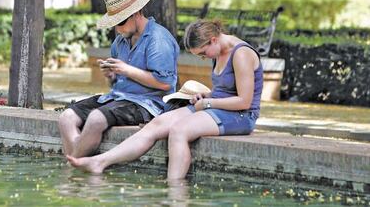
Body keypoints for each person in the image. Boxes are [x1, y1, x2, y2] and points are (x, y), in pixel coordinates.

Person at [67, 20, 263, 180]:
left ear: (213, 40)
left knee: (179, 131)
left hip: (240, 115)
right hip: (218, 107)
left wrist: (209, 103)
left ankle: (174, 192)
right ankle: (100, 161)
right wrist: (207, 96)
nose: (204, 58)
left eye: (203, 53)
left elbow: (244, 102)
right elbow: (226, 90)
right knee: (157, 124)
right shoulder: (218, 50)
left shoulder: (241, 54)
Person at [58, 0, 179, 158]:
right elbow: (116, 84)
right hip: (118, 98)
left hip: (147, 104)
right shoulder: (120, 41)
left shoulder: (158, 40)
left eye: (121, 22)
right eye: (115, 24)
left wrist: (127, 70)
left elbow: (165, 83)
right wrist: (112, 76)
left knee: (95, 119)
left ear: (137, 13)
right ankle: (78, 166)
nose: (118, 29)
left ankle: (72, 169)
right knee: (66, 118)